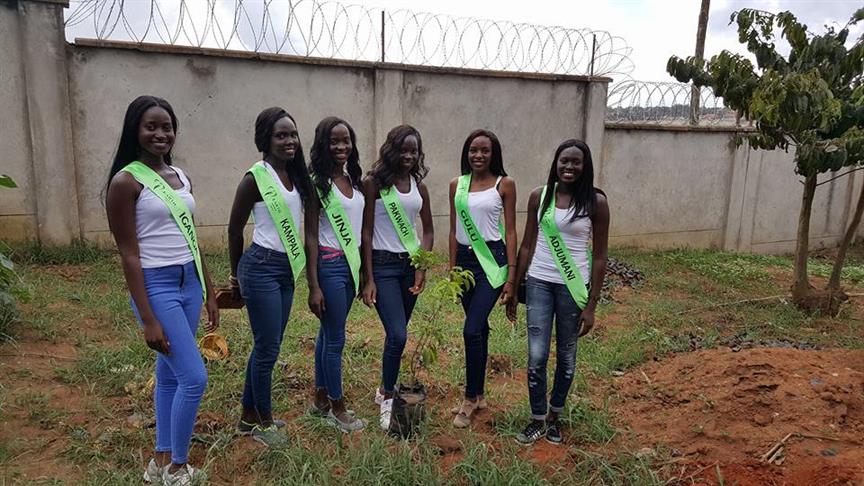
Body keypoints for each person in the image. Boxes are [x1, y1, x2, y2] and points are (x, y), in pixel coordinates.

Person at [105, 95, 217, 484]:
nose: (160, 134)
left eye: (166, 126)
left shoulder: (181, 176)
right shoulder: (125, 182)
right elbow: (129, 255)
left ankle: (159, 462)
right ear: (135, 129)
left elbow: (191, 238)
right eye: (151, 126)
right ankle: (179, 467)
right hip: (157, 286)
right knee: (194, 377)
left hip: (189, 282)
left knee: (169, 375)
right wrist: (148, 318)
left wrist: (208, 287)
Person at [506, 139, 609, 445]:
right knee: (536, 355)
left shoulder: (596, 202)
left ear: (585, 166)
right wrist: (514, 286)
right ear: (556, 162)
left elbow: (601, 255)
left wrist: (592, 305)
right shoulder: (540, 196)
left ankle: (554, 417)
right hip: (538, 282)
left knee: (566, 356)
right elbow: (526, 245)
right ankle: (537, 418)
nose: (569, 167)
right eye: (564, 161)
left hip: (572, 288)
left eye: (576, 162)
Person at [226, 107, 313, 447]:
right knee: (267, 349)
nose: (290, 140)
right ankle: (263, 422)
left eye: (292, 134)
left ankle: (249, 418)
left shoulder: (294, 175)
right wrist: (236, 276)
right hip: (260, 267)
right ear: (265, 139)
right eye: (281, 135)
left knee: (268, 347)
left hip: (285, 270)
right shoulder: (255, 178)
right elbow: (234, 230)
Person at [360, 125, 434, 430]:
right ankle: (388, 396)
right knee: (398, 335)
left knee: (398, 332)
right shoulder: (374, 184)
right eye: (403, 149)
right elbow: (364, 232)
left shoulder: (420, 188)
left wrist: (422, 265)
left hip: (409, 267)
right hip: (383, 265)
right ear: (392, 150)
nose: (408, 155)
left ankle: (383, 388)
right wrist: (368, 277)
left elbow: (427, 231)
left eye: (413, 150)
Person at [448, 129, 517, 428]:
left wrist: (513, 275)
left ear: (494, 154)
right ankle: (480, 394)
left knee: (471, 329)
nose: (478, 155)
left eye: (484, 150)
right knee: (479, 331)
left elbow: (512, 230)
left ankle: (469, 398)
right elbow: (452, 231)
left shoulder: (505, 184)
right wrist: (451, 269)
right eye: (473, 150)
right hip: (464, 262)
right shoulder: (456, 185)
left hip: (492, 262)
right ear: (466, 152)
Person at [305, 116, 367, 432]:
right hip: (329, 266)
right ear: (322, 145)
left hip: (350, 265)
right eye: (334, 141)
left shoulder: (353, 180)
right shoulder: (317, 183)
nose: (341, 146)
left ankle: (319, 398)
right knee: (336, 339)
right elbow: (311, 236)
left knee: (328, 332)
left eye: (346, 140)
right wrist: (313, 284)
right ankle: (337, 407)